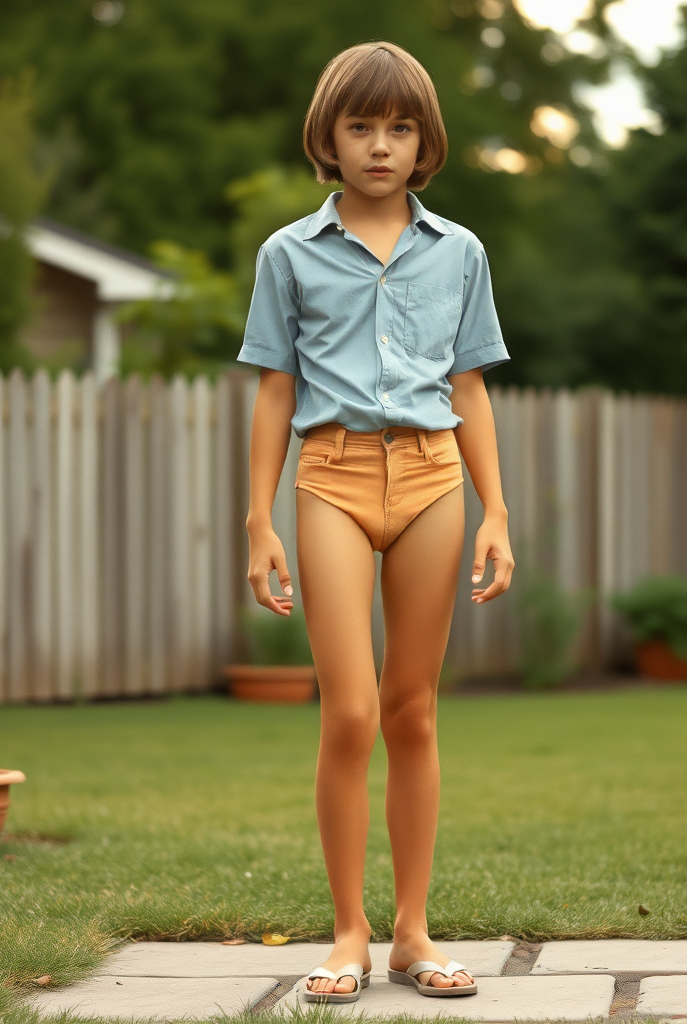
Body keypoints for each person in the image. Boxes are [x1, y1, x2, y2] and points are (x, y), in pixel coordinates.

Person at [237, 41, 514, 1005]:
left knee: (413, 710)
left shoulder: (461, 252)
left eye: (399, 127)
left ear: (424, 140)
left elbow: (469, 386)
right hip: (332, 479)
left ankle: (411, 933)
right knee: (350, 712)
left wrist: (496, 513)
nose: (381, 145)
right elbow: (276, 391)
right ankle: (348, 932)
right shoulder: (288, 254)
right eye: (362, 126)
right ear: (332, 136)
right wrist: (257, 522)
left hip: (435, 479)